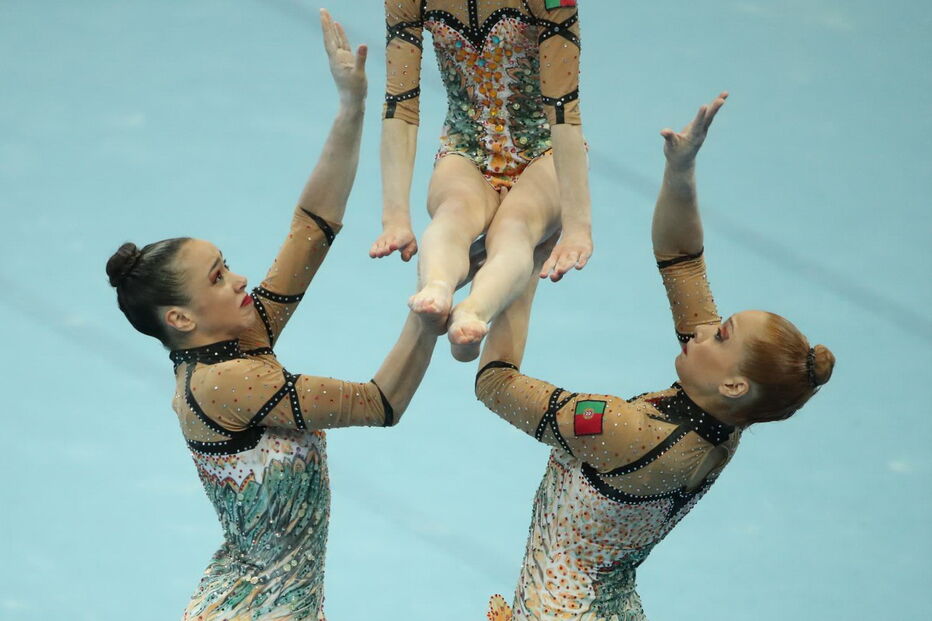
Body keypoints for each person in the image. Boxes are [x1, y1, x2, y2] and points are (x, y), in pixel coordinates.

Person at [106, 12, 442, 620]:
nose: (238, 279)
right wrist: (430, 306)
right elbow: (378, 404)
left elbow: (313, 226)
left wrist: (350, 106)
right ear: (181, 317)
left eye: (226, 264)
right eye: (218, 278)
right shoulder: (228, 382)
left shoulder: (236, 340)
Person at [477, 92, 836, 620]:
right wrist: (681, 170)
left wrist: (524, 253)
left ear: (735, 383)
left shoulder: (621, 431)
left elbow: (496, 383)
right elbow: (682, 260)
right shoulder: (724, 420)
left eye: (721, 335)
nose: (703, 328)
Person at [371, 0, 593, 362]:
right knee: (452, 213)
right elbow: (401, 104)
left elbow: (563, 109)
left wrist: (577, 226)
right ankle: (438, 288)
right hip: (466, 145)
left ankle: (473, 312)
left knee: (516, 227)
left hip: (543, 150)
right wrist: (394, 217)